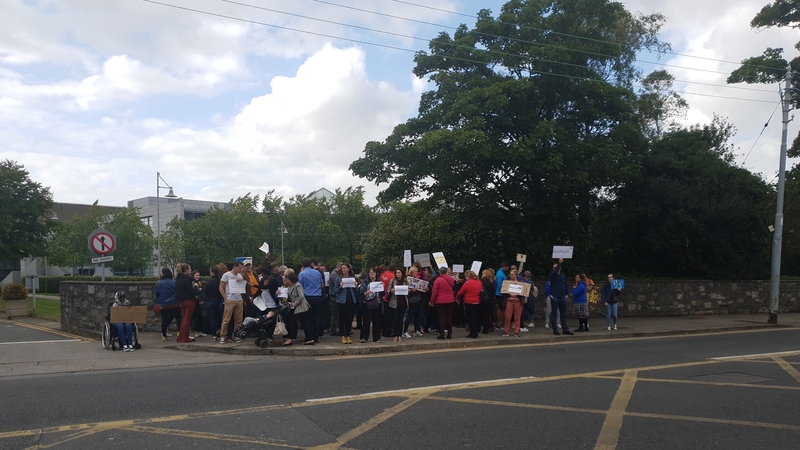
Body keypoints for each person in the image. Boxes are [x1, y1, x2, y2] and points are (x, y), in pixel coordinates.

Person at [219, 261, 247, 344]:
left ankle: (237, 335)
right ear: (234, 267)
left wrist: (241, 281)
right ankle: (223, 335)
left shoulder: (240, 276)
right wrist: (225, 298)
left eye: (241, 268)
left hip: (238, 299)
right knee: (226, 319)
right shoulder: (227, 275)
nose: (241, 270)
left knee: (239, 320)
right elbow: (221, 287)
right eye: (239, 268)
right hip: (230, 299)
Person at [283, 271, 314, 346]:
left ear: (291, 279)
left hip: (301, 307)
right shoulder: (292, 286)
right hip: (298, 307)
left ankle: (291, 338)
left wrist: (295, 303)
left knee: (292, 322)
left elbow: (301, 297)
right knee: (305, 323)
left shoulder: (298, 285)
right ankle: (310, 338)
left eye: (288, 280)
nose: (287, 281)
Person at [299, 257, 324, 342]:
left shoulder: (302, 274)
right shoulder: (317, 273)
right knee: (316, 318)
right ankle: (316, 337)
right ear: (310, 264)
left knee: (307, 318)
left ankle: (309, 337)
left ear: (302, 264)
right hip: (317, 297)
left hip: (307, 297)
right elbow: (322, 284)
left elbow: (300, 287)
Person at [333, 263, 358, 344]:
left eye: (345, 268)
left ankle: (348, 335)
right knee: (342, 318)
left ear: (348, 269)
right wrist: (340, 287)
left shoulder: (352, 278)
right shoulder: (338, 278)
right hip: (342, 301)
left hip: (351, 300)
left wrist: (356, 286)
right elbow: (335, 291)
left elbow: (356, 291)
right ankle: (343, 335)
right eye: (342, 268)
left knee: (349, 318)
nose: (343, 270)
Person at [175, 263, 199, 343]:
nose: (190, 270)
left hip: (182, 300)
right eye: (189, 269)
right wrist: (195, 286)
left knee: (184, 318)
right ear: (186, 270)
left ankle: (181, 337)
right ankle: (185, 337)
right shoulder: (187, 279)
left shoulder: (178, 279)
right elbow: (191, 291)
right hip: (189, 300)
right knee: (187, 319)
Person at [549, 259, 574, 335]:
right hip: (555, 297)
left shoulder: (563, 276)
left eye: (555, 267)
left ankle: (565, 329)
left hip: (562, 297)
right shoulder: (552, 275)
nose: (554, 269)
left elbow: (565, 285)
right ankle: (555, 329)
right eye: (553, 267)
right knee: (554, 314)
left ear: (560, 268)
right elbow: (554, 272)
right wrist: (559, 263)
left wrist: (566, 294)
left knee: (563, 314)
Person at [155, 267, 180, 342]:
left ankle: (164, 335)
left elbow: (157, 293)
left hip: (163, 304)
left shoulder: (159, 283)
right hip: (173, 303)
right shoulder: (174, 282)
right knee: (178, 317)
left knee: (164, 319)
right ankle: (179, 331)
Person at [430, 265, 455, 340]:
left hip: (440, 301)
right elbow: (453, 286)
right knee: (449, 317)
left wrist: (432, 301)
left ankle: (442, 334)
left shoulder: (438, 280)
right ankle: (450, 333)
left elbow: (434, 292)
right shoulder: (451, 278)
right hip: (450, 300)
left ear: (440, 272)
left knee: (441, 318)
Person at [358, 268, 383, 343]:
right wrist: (366, 293)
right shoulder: (365, 282)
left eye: (373, 272)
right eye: (370, 272)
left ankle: (377, 338)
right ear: (368, 274)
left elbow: (383, 294)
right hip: (367, 303)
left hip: (377, 303)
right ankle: (364, 337)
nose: (372, 274)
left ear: (376, 273)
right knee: (366, 321)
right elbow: (361, 293)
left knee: (377, 321)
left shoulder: (379, 282)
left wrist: (382, 287)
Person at [456, 270, 482, 338]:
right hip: (478, 301)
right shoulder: (479, 282)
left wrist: (456, 298)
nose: (465, 278)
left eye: (466, 276)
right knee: (476, 317)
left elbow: (461, 291)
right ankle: (476, 330)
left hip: (469, 302)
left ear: (468, 276)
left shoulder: (468, 283)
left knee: (470, 318)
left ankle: (473, 333)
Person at [203, 265, 224, 341]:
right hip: (219, 301)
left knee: (212, 319)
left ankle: (214, 336)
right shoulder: (220, 280)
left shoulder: (210, 281)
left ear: (212, 272)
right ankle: (220, 331)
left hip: (211, 301)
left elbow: (205, 291)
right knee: (219, 318)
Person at [403, 266, 425, 338]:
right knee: (410, 316)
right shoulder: (408, 280)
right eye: (415, 271)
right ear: (412, 272)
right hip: (411, 299)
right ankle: (405, 331)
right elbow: (406, 289)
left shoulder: (417, 279)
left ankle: (417, 330)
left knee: (417, 316)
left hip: (417, 299)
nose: (416, 273)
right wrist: (411, 289)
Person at [388, 268, 408, 343]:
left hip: (403, 303)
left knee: (401, 320)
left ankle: (400, 335)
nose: (398, 274)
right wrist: (391, 291)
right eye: (396, 273)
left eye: (399, 273)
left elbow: (408, 292)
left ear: (402, 273)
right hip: (394, 303)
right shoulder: (392, 281)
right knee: (395, 320)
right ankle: (396, 335)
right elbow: (388, 290)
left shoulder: (405, 281)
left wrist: (408, 291)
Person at [503, 269, 524, 337]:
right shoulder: (507, 282)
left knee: (517, 317)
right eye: (510, 274)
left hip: (518, 301)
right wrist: (508, 293)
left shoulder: (520, 283)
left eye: (512, 274)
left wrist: (517, 294)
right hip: (509, 300)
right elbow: (503, 291)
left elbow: (524, 292)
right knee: (507, 317)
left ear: (516, 275)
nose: (511, 275)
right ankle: (506, 332)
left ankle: (516, 332)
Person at [380, 263, 397, 337]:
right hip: (389, 297)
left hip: (382, 297)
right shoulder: (392, 276)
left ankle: (383, 329)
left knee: (384, 315)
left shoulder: (383, 275)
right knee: (389, 316)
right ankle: (387, 331)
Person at [190, 270, 207, 336]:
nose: (198, 276)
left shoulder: (199, 283)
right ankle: (197, 331)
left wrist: (200, 300)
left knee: (199, 317)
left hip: (197, 301)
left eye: (199, 275)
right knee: (197, 316)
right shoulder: (192, 283)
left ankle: (198, 331)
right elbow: (194, 292)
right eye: (196, 275)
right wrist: (199, 290)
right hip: (193, 301)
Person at [480, 269, 497, 334]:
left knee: (482, 314)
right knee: (488, 314)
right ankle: (487, 327)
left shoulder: (482, 281)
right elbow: (493, 290)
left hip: (483, 299)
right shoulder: (493, 281)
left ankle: (485, 327)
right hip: (491, 299)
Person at [494, 261, 509, 330]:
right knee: (501, 308)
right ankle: (498, 323)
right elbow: (500, 284)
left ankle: (500, 323)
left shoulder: (501, 273)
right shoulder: (500, 274)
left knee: (502, 308)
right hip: (500, 293)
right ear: (505, 267)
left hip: (501, 293)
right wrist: (504, 292)